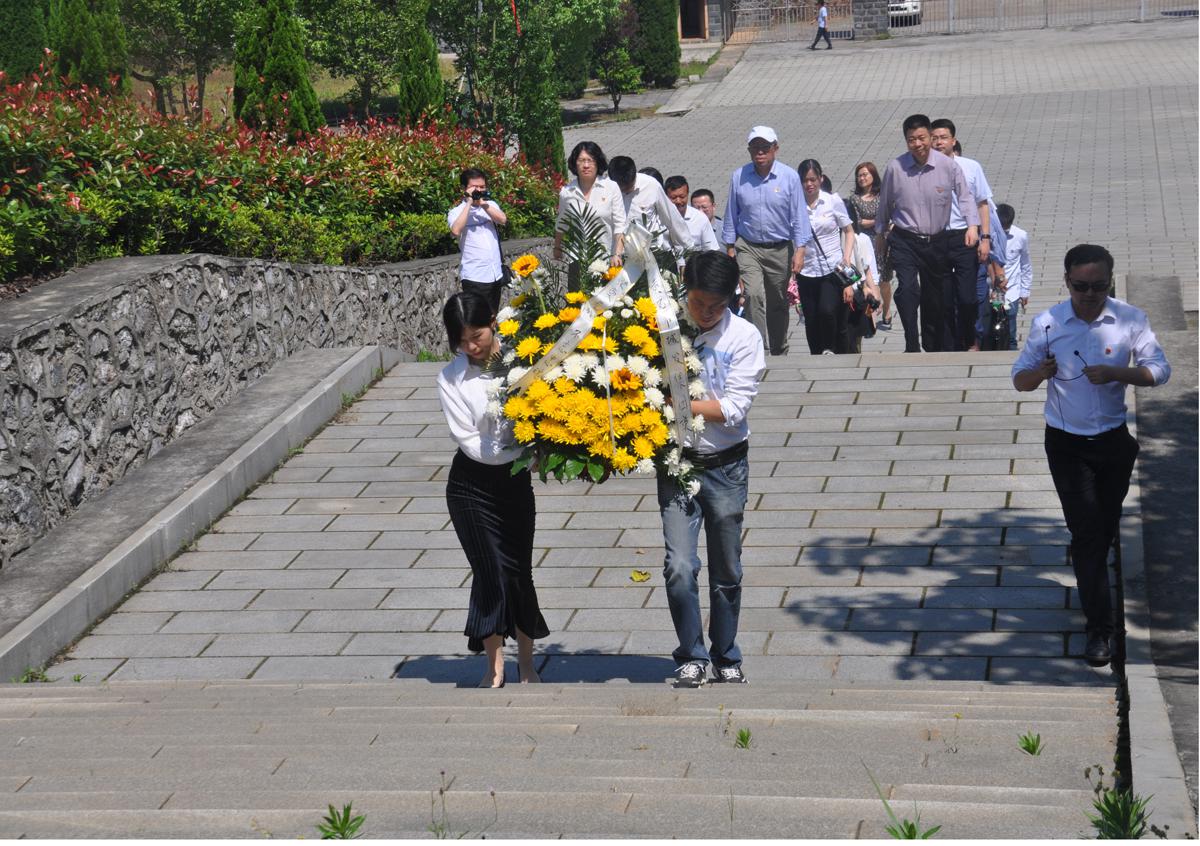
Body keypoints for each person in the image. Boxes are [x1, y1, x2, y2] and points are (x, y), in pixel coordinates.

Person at [1011, 244, 1170, 667]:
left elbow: (1160, 369)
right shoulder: (1048, 323)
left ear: (1110, 282)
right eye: (1081, 286)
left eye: (1099, 286)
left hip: (1114, 443)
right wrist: (1039, 373)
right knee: (1087, 534)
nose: (1089, 294)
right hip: (1067, 445)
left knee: (1103, 529)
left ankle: (1096, 583)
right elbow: (1019, 380)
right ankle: (1099, 629)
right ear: (1067, 282)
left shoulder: (1130, 319)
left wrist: (1119, 373)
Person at [659, 251, 765, 688]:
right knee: (679, 566)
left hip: (726, 467)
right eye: (698, 302)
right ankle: (691, 655)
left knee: (727, 571)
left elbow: (734, 409)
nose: (705, 313)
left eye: (716, 306)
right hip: (679, 464)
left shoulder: (744, 338)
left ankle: (725, 654)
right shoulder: (665, 328)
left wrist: (674, 404)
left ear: (733, 298)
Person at [436, 292, 549, 687]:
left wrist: (541, 449)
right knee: (489, 571)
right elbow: (470, 441)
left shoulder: (522, 360)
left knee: (518, 572)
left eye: (478, 336)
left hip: (514, 486)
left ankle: (527, 664)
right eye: (462, 340)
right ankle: (494, 665)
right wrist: (522, 453)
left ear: (493, 324)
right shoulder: (450, 378)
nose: (471, 347)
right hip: (470, 487)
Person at [875, 113, 979, 353]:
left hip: (937, 241)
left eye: (922, 138)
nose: (917, 144)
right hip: (905, 239)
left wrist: (972, 226)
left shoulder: (948, 166)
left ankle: (933, 345)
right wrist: (880, 233)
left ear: (930, 137)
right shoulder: (895, 168)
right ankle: (911, 342)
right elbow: (885, 203)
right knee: (908, 289)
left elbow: (965, 197)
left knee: (936, 296)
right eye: (911, 140)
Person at [722, 126, 811, 355]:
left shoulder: (789, 176)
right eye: (755, 148)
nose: (760, 152)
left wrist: (800, 249)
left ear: (775, 148)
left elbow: (799, 215)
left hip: (780, 249)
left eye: (765, 147)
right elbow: (731, 213)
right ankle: (758, 349)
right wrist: (730, 248)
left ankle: (779, 347)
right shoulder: (739, 176)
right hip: (748, 246)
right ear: (749, 150)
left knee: (778, 302)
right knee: (752, 295)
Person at [930, 119, 995, 350]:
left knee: (967, 297)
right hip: (936, 238)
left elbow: (982, 204)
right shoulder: (924, 169)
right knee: (944, 299)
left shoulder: (971, 167)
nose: (939, 142)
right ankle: (951, 345)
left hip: (966, 236)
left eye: (943, 137)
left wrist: (984, 237)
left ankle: (970, 337)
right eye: (934, 138)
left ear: (953, 140)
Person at [795, 158, 856, 355]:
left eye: (813, 179)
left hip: (832, 268)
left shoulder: (832, 201)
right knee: (811, 318)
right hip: (806, 270)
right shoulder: (795, 205)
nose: (809, 184)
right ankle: (816, 354)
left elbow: (849, 231)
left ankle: (830, 349)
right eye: (805, 180)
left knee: (827, 311)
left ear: (821, 179)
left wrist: (846, 258)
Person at [554, 141, 626, 267]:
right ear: (575, 163)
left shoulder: (611, 187)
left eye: (590, 160)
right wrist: (557, 248)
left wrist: (617, 254)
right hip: (577, 260)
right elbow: (561, 224)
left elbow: (620, 225)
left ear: (598, 162)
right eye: (581, 161)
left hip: (607, 259)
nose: (586, 165)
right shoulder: (567, 192)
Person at [447, 168, 508, 314]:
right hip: (475, 277)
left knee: (492, 317)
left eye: (482, 187)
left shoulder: (490, 205)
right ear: (464, 188)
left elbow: (503, 220)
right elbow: (455, 231)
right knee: (478, 319)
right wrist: (469, 202)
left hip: (495, 274)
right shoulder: (456, 212)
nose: (479, 190)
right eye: (475, 187)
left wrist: (481, 203)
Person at [609, 156, 694, 254]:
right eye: (621, 189)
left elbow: (672, 218)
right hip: (617, 253)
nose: (625, 191)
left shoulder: (651, 185)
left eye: (628, 187)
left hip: (650, 251)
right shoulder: (606, 189)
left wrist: (689, 247)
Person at [846, 162, 892, 330]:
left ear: (874, 175)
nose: (862, 178)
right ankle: (870, 314)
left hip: (882, 241)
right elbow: (858, 222)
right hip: (864, 242)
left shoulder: (883, 195)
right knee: (869, 279)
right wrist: (879, 220)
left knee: (885, 280)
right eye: (859, 175)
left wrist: (880, 223)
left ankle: (887, 310)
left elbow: (890, 215)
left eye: (865, 174)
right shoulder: (854, 199)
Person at [997, 203, 1032, 350]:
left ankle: (1011, 351)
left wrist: (1025, 291)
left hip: (1012, 291)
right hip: (992, 291)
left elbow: (1025, 265)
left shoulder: (1020, 236)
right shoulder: (987, 235)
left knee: (1011, 329)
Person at [665, 175, 720, 252]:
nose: (678, 201)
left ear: (687, 195)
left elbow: (711, 250)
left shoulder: (700, 218)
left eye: (682, 197)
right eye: (673, 198)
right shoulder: (659, 217)